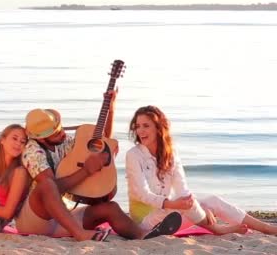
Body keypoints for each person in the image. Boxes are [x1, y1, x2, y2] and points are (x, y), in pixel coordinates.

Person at [15, 91, 182, 241]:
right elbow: (51, 189)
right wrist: (86, 170)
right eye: (56, 132)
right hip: (35, 221)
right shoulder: (32, 152)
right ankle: (79, 233)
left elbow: (100, 143)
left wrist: (111, 109)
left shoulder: (62, 142)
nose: (63, 132)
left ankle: (143, 235)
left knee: (111, 208)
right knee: (47, 186)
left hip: (62, 220)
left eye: (60, 127)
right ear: (42, 138)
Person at [126, 105, 277, 236]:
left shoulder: (170, 154)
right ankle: (217, 229)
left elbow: (183, 191)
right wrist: (185, 207)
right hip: (143, 221)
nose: (140, 131)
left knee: (212, 201)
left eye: (146, 126)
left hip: (169, 216)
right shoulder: (133, 155)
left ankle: (267, 228)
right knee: (189, 206)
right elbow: (142, 194)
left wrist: (194, 207)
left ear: (159, 128)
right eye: (138, 126)